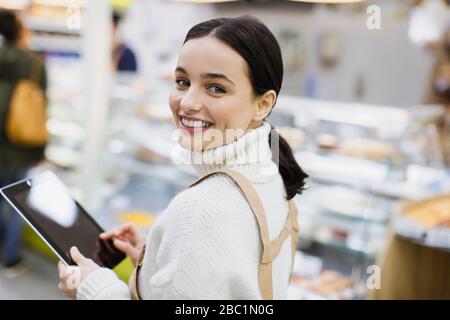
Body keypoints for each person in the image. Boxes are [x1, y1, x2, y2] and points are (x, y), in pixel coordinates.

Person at [57, 16, 308, 300]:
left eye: (216, 88)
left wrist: (93, 286)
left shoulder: (201, 209)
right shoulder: (274, 172)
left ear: (263, 104)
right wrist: (158, 258)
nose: (187, 102)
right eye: (182, 81)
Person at [0, 9, 47, 277]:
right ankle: (11, 258)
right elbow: (41, 110)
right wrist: (41, 151)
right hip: (20, 145)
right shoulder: (33, 64)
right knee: (18, 202)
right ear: (18, 30)